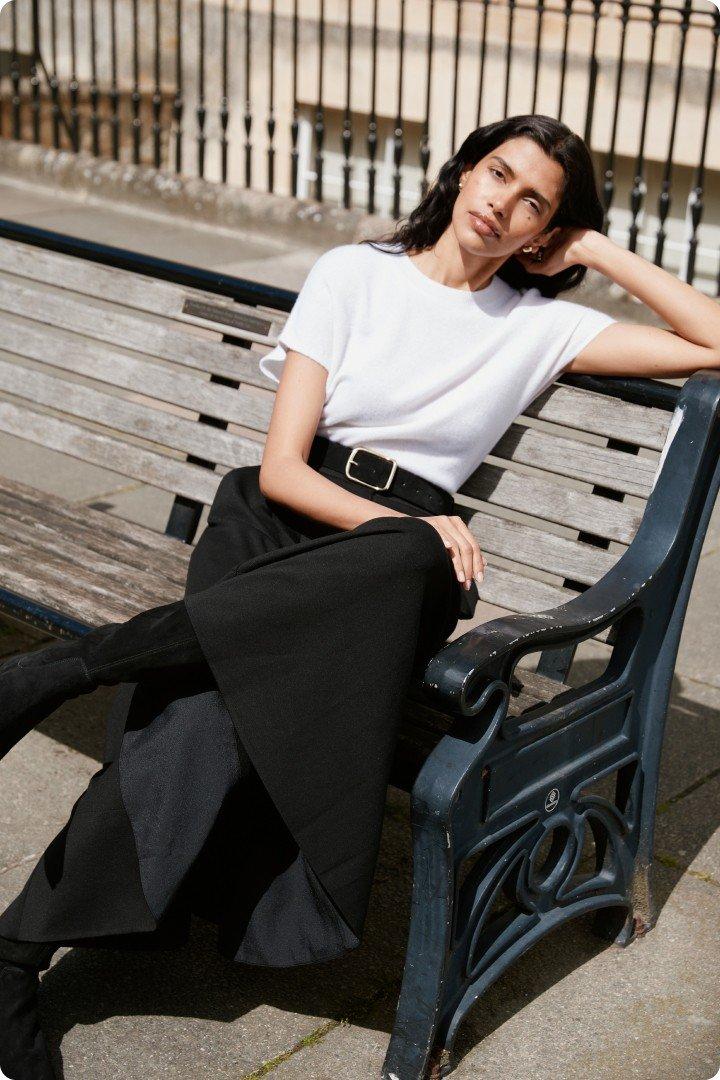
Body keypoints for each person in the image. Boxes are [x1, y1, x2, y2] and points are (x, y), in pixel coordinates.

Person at [2, 113, 719, 1079]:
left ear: (543, 233)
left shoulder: (545, 327)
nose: (501, 202)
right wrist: (399, 528)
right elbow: (285, 470)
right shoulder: (353, 273)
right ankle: (12, 961)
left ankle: (75, 668)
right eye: (496, 173)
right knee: (208, 715)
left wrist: (592, 248)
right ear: (463, 170)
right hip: (283, 528)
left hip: (393, 569)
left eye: (533, 201)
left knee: (421, 561)